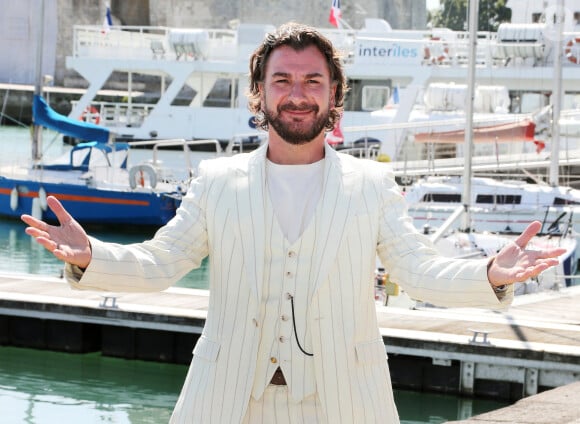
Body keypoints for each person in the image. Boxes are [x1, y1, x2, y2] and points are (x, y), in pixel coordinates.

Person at [21, 22, 565, 424]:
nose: (298, 94)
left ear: (334, 95)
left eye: (313, 81)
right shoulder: (215, 179)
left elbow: (419, 270)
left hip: (345, 402)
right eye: (282, 80)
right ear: (259, 92)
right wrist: (93, 256)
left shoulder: (372, 185)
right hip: (226, 399)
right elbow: (163, 262)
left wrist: (491, 273)